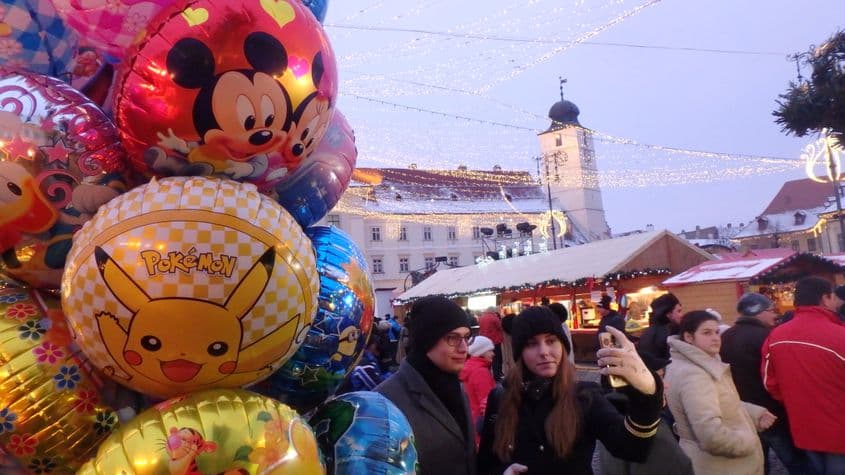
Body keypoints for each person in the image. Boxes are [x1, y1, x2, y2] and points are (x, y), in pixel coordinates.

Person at [477, 306, 663, 475]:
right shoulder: (501, 397)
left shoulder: (585, 396)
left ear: (563, 346)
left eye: (551, 341)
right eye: (531, 344)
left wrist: (647, 393)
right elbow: (485, 463)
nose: (544, 351)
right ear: (520, 353)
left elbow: (633, 448)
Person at [375, 295, 476, 475]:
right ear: (427, 340)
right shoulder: (384, 403)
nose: (464, 348)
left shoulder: (456, 389)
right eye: (453, 338)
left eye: (466, 337)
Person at [665, 310, 776, 475]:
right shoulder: (695, 374)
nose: (716, 338)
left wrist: (753, 413)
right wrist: (749, 441)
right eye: (706, 333)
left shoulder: (693, 364)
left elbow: (718, 401)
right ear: (689, 337)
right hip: (719, 466)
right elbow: (711, 435)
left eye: (717, 332)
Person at [763, 276, 845, 475]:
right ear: (825, 298)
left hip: (803, 423)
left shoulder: (776, 336)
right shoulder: (840, 335)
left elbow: (769, 382)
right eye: (833, 297)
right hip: (839, 428)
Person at [721, 293, 810, 475]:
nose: (775, 315)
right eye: (771, 310)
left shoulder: (725, 337)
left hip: (742, 411)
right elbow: (782, 374)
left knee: (758, 464)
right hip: (771, 411)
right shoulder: (768, 336)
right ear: (757, 312)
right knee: (795, 461)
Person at [599, 350, 694, 475]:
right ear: (635, 385)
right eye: (658, 378)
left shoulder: (612, 419)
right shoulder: (649, 432)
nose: (665, 385)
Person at [460, 335, 497, 445]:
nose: (493, 354)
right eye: (490, 351)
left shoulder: (469, 368)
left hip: (473, 421)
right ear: (481, 352)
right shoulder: (480, 373)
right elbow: (487, 404)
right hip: (483, 427)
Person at [637, 292, 682, 360]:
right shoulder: (670, 333)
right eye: (679, 311)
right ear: (668, 314)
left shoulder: (648, 331)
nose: (681, 315)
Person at [479, 307, 505, 380]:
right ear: (493, 311)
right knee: (496, 358)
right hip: (494, 340)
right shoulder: (494, 317)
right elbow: (500, 327)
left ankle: (487, 374)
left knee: (487, 358)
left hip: (485, 341)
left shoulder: (482, 317)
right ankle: (497, 375)